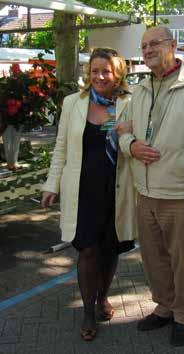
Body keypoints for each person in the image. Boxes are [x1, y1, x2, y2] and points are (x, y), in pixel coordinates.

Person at [117, 26, 184, 347]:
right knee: (152, 257)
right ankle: (164, 307)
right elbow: (122, 130)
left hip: (181, 192)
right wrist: (130, 145)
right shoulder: (139, 90)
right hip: (145, 190)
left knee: (182, 259)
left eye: (155, 43)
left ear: (173, 45)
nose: (148, 49)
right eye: (144, 45)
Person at [41, 48, 136, 341]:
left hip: (117, 190)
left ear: (117, 73)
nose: (99, 76)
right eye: (94, 71)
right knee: (88, 250)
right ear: (88, 73)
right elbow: (61, 147)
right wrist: (51, 183)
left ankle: (103, 298)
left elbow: (139, 142)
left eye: (106, 71)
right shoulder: (73, 103)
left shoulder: (130, 104)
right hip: (82, 191)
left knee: (111, 248)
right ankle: (87, 311)